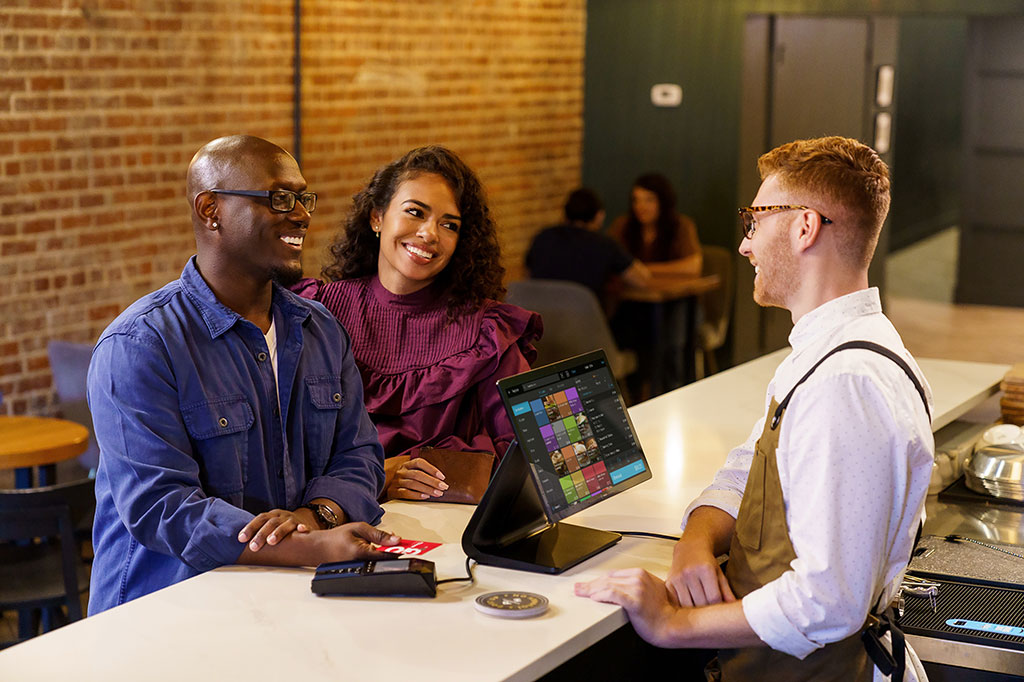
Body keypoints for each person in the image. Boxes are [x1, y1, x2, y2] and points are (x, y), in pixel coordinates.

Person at [576, 136, 934, 681]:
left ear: (803, 227)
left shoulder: (845, 383)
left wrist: (671, 624)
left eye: (755, 221)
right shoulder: (825, 352)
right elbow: (749, 466)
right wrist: (696, 538)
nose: (745, 245)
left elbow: (828, 600)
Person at [87, 135, 398, 615]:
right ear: (210, 209)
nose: (301, 214)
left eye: (303, 198)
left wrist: (316, 518)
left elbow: (358, 455)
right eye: (279, 198)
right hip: (165, 615)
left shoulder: (320, 329)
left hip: (286, 601)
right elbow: (162, 507)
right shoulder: (139, 346)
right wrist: (304, 547)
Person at [293, 146, 541, 502]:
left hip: (445, 522)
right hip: (333, 518)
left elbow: (528, 450)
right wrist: (377, 475)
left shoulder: (486, 331)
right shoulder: (315, 312)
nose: (429, 234)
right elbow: (286, 447)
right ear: (377, 217)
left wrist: (423, 465)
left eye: (449, 224)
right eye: (415, 212)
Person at [525, 187, 650, 312]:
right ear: (599, 216)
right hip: (586, 325)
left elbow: (527, 274)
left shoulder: (542, 237)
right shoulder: (603, 244)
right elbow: (642, 280)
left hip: (542, 321)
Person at [608, 173, 702, 277]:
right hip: (630, 290)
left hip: (671, 289)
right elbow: (606, 258)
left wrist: (644, 269)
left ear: (663, 202)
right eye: (636, 200)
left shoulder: (681, 225)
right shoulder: (622, 224)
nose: (641, 207)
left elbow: (693, 266)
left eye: (649, 200)